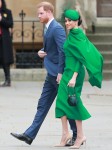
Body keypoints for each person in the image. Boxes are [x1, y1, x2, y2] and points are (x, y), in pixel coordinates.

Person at [10, 2, 77, 146]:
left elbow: (63, 51)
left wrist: (60, 72)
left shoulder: (57, 28)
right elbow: (52, 47)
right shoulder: (48, 27)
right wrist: (42, 51)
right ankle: (29, 135)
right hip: (51, 73)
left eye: (41, 13)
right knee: (43, 104)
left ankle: (77, 135)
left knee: (66, 104)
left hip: (57, 75)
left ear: (49, 12)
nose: (38, 16)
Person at [55, 9, 103, 149]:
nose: (67, 23)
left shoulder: (78, 34)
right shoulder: (72, 34)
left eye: (70, 20)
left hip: (74, 73)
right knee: (61, 102)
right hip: (67, 71)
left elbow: (79, 58)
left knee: (73, 102)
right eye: (66, 21)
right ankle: (65, 134)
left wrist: (74, 77)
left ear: (76, 21)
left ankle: (80, 136)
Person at [0, 0, 14, 87]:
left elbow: (10, 24)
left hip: (4, 39)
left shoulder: (7, 12)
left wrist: (2, 19)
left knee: (5, 59)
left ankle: (8, 80)